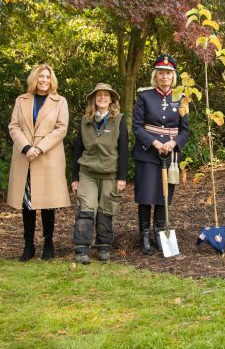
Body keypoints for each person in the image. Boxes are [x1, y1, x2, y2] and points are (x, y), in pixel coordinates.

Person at [8, 64, 70, 261]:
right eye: (41, 76)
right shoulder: (22, 100)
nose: (44, 80)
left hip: (48, 156)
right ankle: (28, 245)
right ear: (34, 78)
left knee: (47, 203)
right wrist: (26, 147)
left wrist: (39, 148)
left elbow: (61, 128)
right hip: (25, 156)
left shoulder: (60, 101)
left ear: (52, 80)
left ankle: (49, 243)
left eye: (47, 77)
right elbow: (14, 125)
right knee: (27, 203)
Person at [132, 55, 189, 255]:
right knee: (147, 195)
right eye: (161, 73)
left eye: (169, 74)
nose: (165, 77)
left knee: (164, 195)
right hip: (148, 152)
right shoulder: (144, 96)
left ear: (173, 77)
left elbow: (185, 130)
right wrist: (155, 143)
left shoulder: (181, 98)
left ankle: (159, 233)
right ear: (156, 76)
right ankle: (144, 236)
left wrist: (174, 143)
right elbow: (137, 127)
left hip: (170, 156)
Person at [71, 83, 129, 264]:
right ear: (93, 99)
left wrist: (122, 177)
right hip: (87, 173)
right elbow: (77, 150)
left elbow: (124, 151)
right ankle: (81, 249)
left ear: (112, 99)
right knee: (86, 210)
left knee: (106, 211)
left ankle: (104, 247)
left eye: (106, 95)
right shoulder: (85, 120)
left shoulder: (119, 120)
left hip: (110, 173)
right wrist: (74, 178)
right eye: (99, 95)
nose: (102, 97)